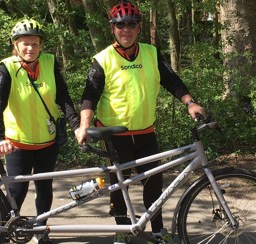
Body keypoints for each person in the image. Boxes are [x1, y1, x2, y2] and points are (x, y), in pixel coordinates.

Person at [76, 1, 205, 244]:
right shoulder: (102, 59)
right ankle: (123, 230)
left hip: (146, 132)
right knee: (118, 185)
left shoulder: (152, 52)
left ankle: (157, 229)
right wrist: (84, 125)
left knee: (154, 183)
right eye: (120, 25)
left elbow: (171, 80)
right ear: (112, 28)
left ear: (139, 27)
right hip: (115, 135)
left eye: (131, 24)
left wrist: (190, 103)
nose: (126, 29)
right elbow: (89, 95)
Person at [0, 18, 80, 244]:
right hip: (18, 143)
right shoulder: (6, 68)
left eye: (35, 44)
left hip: (47, 142)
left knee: (44, 189)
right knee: (17, 192)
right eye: (25, 43)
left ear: (41, 45)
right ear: (15, 45)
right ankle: (6, 234)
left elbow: (63, 96)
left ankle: (40, 230)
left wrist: (76, 125)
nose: (30, 48)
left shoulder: (49, 63)